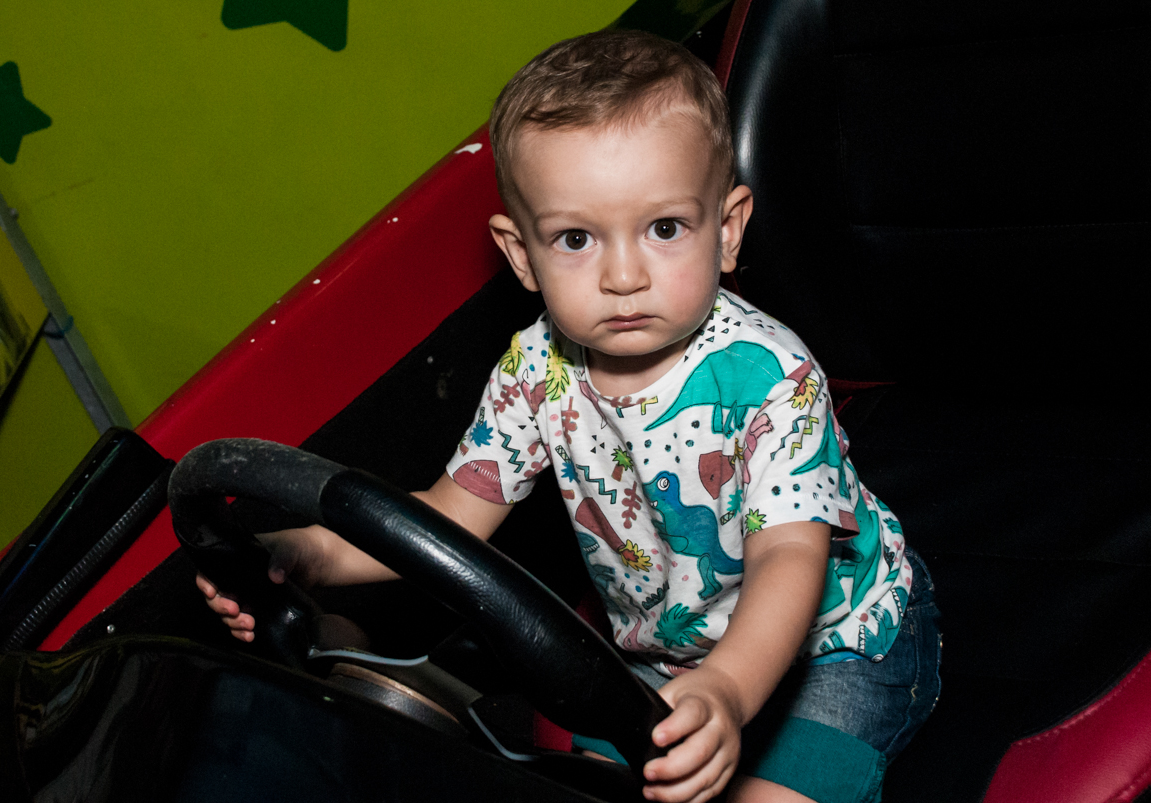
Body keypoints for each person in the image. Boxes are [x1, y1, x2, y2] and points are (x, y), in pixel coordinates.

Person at [198, 29, 940, 803]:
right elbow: (445, 518)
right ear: (522, 255)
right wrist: (301, 555)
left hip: (837, 648)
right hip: (664, 651)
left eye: (664, 229)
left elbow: (791, 556)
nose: (623, 275)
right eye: (577, 239)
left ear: (727, 230)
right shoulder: (534, 372)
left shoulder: (769, 376)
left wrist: (725, 689)